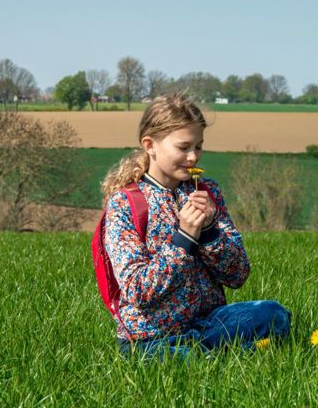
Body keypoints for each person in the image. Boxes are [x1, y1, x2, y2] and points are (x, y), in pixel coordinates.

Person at [101, 94, 290, 359]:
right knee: (188, 358)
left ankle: (212, 352)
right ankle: (220, 354)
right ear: (150, 145)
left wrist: (211, 229)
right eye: (183, 147)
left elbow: (238, 275)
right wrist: (184, 239)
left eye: (199, 147)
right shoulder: (126, 203)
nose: (193, 157)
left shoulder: (208, 192)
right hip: (150, 336)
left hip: (209, 323)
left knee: (274, 314)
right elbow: (137, 290)